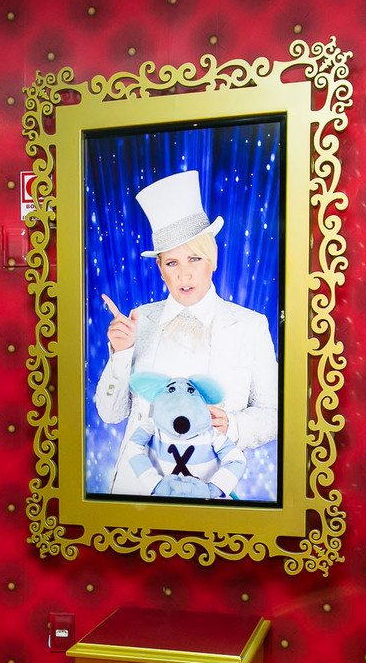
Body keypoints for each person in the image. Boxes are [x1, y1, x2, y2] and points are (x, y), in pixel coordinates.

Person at [94, 170, 279, 497]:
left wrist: (234, 425)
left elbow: (275, 414)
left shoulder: (251, 326)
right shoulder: (140, 320)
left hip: (211, 495)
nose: (185, 274)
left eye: (194, 258)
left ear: (213, 258)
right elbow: (110, 414)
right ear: (160, 269)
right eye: (172, 263)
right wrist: (121, 354)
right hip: (135, 495)